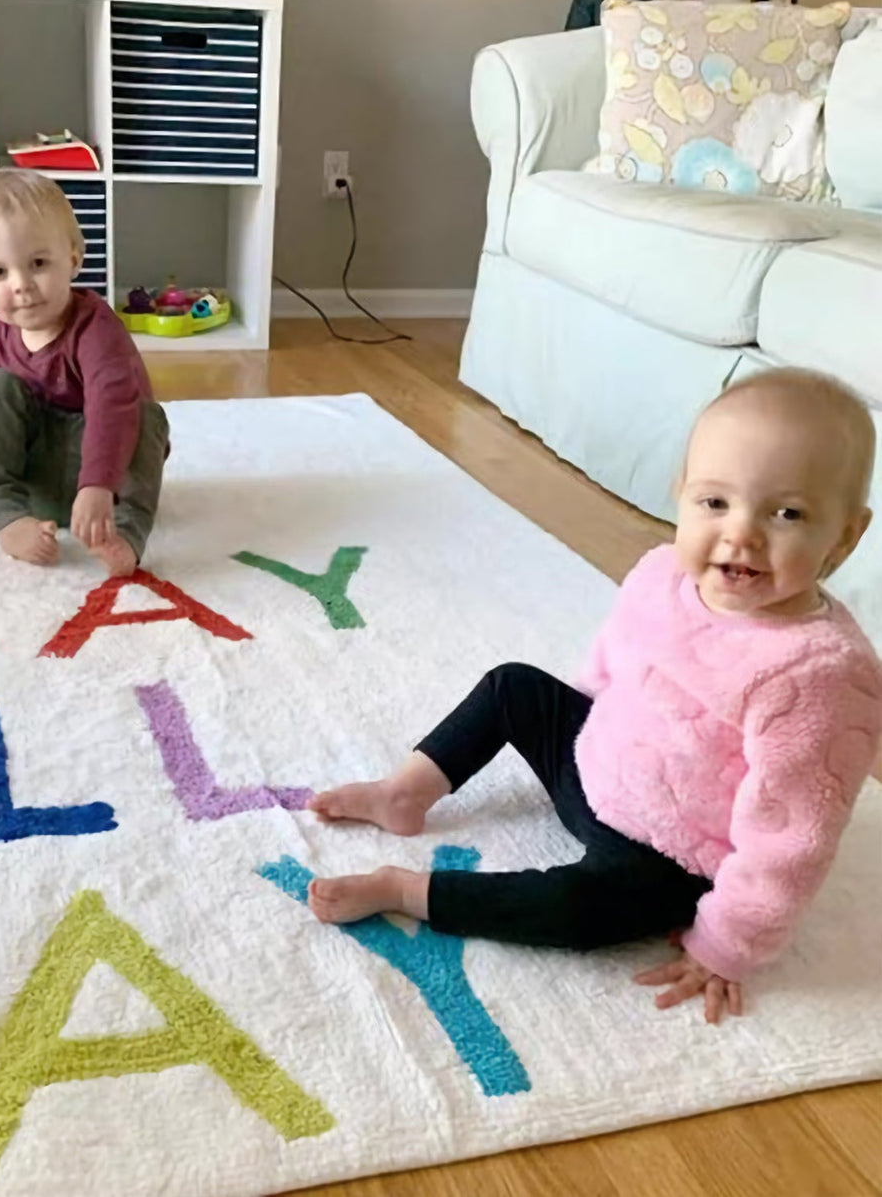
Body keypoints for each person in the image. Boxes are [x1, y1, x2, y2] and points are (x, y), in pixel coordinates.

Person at [307, 368, 882, 1023]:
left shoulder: (818, 673)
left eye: (788, 514)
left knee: (580, 911)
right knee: (514, 685)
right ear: (681, 495)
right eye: (715, 503)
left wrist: (729, 944)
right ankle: (406, 791)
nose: (741, 534)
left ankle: (409, 893)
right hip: (597, 763)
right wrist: (579, 726)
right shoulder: (663, 573)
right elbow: (612, 663)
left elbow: (792, 840)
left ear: (845, 535)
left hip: (672, 851)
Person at [0, 169, 168, 574]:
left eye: (38, 263)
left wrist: (97, 485)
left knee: (142, 415)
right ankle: (7, 515)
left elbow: (111, 407)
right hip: (31, 480)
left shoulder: (97, 328)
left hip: (105, 484)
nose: (21, 284)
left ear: (72, 259)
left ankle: (126, 534)